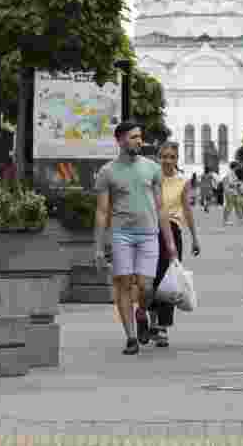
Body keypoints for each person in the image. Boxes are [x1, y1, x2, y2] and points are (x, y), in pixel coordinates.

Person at [94, 121, 178, 355]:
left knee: (146, 286)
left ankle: (142, 312)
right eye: (133, 137)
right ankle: (131, 338)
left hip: (149, 235)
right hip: (121, 235)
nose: (139, 141)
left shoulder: (152, 168)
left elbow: (161, 209)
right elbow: (101, 212)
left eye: (140, 137)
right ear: (120, 140)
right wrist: (99, 247)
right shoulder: (107, 172)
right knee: (123, 285)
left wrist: (170, 244)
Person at [147, 142, 202, 348]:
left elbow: (187, 210)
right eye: (164, 156)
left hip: (173, 230)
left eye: (172, 157)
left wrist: (194, 237)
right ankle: (152, 322)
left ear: (177, 159)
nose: (168, 161)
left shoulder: (182, 181)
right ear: (158, 157)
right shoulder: (152, 179)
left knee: (169, 279)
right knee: (150, 278)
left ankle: (163, 327)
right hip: (151, 231)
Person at [222, 161, 243, 227]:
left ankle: (240, 219)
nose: (238, 167)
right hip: (230, 192)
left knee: (237, 205)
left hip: (233, 192)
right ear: (235, 167)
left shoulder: (232, 173)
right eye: (237, 166)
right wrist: (238, 184)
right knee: (229, 206)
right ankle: (225, 220)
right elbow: (231, 183)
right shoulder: (230, 173)